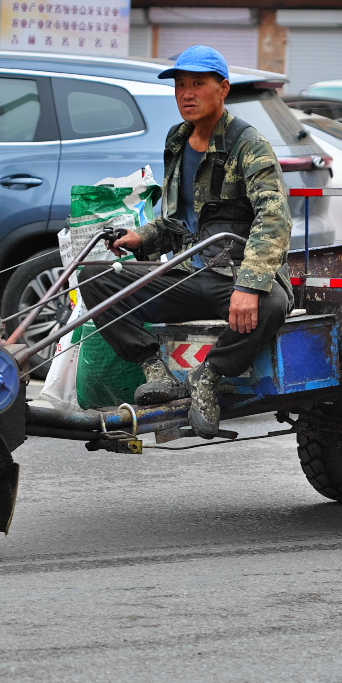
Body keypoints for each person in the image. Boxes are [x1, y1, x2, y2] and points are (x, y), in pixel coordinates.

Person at [79, 45, 293, 438]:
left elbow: (274, 219)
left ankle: (208, 376)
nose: (186, 94)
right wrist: (140, 237)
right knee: (94, 278)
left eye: (197, 84)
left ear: (223, 89)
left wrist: (249, 286)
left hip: (229, 275)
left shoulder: (248, 144)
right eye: (180, 86)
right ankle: (154, 369)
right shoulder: (177, 141)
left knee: (273, 302)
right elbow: (176, 220)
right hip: (185, 272)